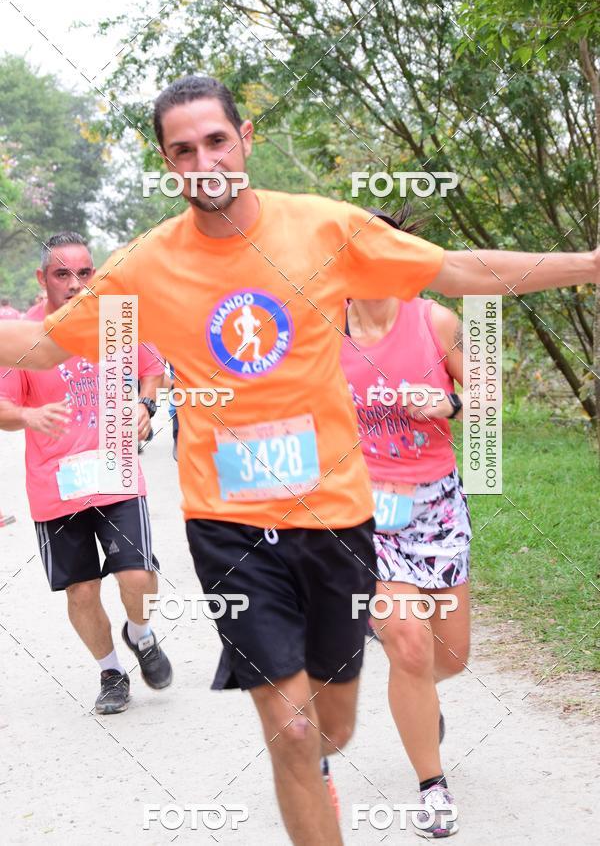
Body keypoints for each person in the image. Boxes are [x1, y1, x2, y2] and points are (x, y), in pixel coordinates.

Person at [0, 76, 598, 845]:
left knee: (330, 726)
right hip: (231, 523)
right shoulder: (147, 265)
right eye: (183, 150)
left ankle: (318, 775)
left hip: (335, 515)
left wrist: (586, 263)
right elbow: (43, 342)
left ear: (245, 138)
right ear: (166, 163)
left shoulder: (323, 229)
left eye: (216, 141)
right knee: (289, 729)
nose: (204, 161)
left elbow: (457, 271)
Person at [0, 232, 173, 714]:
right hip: (56, 484)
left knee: (137, 576)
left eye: (85, 273)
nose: (76, 284)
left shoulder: (115, 318)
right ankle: (111, 672)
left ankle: (140, 634)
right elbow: (3, 405)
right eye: (62, 274)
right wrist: (27, 417)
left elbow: (152, 368)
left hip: (116, 465)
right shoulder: (24, 336)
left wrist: (145, 403)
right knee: (81, 589)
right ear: (42, 279)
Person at [342, 205, 471, 838]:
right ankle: (433, 786)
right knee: (410, 645)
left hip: (437, 504)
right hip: (366, 513)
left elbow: (486, 401)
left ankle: (419, 689)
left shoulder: (434, 320)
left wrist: (447, 401)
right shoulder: (319, 334)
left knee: (449, 655)